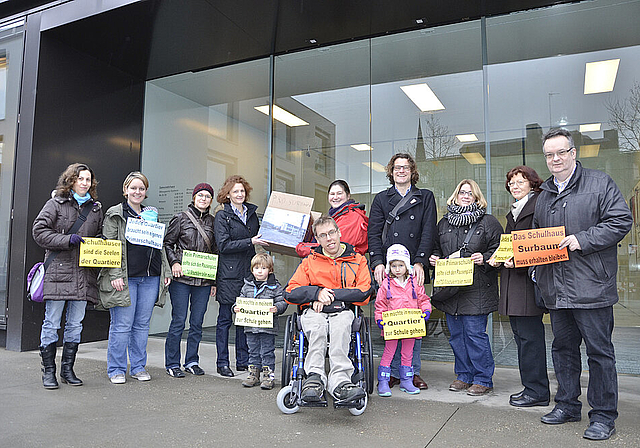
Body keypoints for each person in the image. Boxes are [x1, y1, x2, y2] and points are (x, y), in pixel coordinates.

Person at [533, 128, 632, 441]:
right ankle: (567, 404)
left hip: (592, 286)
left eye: (561, 152)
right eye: (550, 154)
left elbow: (621, 221)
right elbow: (537, 237)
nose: (556, 159)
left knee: (599, 353)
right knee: (563, 349)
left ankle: (603, 415)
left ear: (573, 153)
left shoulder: (599, 183)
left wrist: (583, 239)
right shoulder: (544, 195)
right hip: (557, 289)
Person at [285, 216, 373, 403]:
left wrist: (330, 298)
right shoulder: (310, 261)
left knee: (341, 326)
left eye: (332, 233)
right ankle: (314, 379)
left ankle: (340, 381)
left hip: (343, 311)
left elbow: (365, 290)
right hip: (314, 311)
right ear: (317, 240)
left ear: (339, 232)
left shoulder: (357, 259)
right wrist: (316, 293)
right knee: (315, 328)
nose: (329, 238)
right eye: (323, 235)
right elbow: (290, 291)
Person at [368, 152, 437, 390]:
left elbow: (429, 232)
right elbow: (373, 234)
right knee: (391, 319)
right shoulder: (381, 199)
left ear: (412, 171)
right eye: (397, 167)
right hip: (389, 267)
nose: (401, 171)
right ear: (391, 171)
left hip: (413, 267)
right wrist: (377, 262)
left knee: (412, 320)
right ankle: (393, 373)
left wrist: (420, 262)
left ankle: (412, 372)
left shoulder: (425, 197)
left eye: (405, 167)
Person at [32, 163, 103, 389]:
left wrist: (100, 243)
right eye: (80, 178)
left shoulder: (95, 208)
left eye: (88, 179)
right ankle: (49, 371)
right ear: (71, 180)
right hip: (58, 273)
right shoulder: (55, 204)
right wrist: (66, 240)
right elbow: (39, 231)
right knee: (52, 323)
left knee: (75, 325)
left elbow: (100, 233)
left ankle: (68, 370)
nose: (84, 183)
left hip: (84, 274)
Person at [429, 179, 502, 396]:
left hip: (477, 289)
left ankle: (482, 378)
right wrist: (434, 258)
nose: (466, 196)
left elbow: (501, 249)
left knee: (475, 335)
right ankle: (463, 375)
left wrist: (486, 257)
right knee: (456, 336)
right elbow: (435, 247)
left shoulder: (488, 222)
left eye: (471, 193)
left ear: (477, 197)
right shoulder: (443, 223)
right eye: (462, 192)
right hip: (451, 290)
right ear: (456, 195)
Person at [98, 172, 172, 384]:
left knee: (141, 326)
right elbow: (110, 246)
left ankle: (138, 367)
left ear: (146, 192)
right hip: (126, 278)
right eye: (133, 188)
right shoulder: (116, 213)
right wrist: (114, 274)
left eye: (141, 188)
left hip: (150, 277)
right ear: (126, 190)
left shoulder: (151, 214)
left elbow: (160, 246)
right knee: (122, 325)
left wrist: (165, 272)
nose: (137, 192)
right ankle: (116, 369)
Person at [488, 166, 550, 407]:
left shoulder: (537, 206)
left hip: (527, 284)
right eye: (511, 183)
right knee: (523, 338)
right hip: (514, 283)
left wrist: (519, 260)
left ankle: (537, 391)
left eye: (520, 182)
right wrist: (497, 257)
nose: (514, 186)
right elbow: (510, 245)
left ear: (532, 184)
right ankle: (531, 388)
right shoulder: (515, 211)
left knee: (530, 340)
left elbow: (543, 244)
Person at [214, 175, 268, 377]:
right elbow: (223, 245)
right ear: (227, 194)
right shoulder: (222, 216)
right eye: (235, 191)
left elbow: (261, 236)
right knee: (225, 319)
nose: (239, 194)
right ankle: (222, 362)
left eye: (242, 191)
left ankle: (243, 361)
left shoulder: (252, 214)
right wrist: (250, 241)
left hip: (248, 273)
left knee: (244, 319)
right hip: (228, 274)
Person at [163, 183, 217, 378]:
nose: (203, 199)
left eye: (207, 196)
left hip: (203, 281)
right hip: (182, 279)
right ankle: (172, 363)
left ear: (211, 200)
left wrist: (214, 282)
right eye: (200, 195)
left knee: (197, 322)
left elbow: (216, 251)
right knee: (178, 321)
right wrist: (174, 262)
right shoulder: (181, 218)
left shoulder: (213, 222)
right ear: (193, 197)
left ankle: (192, 361)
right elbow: (167, 243)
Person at [374, 244, 431, 397]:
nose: (397, 269)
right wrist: (380, 319)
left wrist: (426, 311)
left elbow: (423, 299)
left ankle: (407, 380)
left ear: (407, 265)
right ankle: (384, 381)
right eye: (394, 265)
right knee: (389, 352)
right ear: (389, 267)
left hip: (410, 327)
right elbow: (380, 305)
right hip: (392, 326)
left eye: (400, 265)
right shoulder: (385, 285)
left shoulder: (415, 283)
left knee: (408, 353)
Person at [234, 253, 287, 390]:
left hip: (268, 328)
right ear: (252, 270)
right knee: (253, 351)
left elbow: (282, 301)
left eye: (263, 268)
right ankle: (253, 374)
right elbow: (239, 300)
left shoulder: (275, 287)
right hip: (250, 327)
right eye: (257, 268)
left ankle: (268, 376)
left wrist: (277, 308)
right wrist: (236, 308)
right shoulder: (246, 286)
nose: (260, 271)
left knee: (267, 352)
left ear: (270, 270)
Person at [295, 179, 368, 257]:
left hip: (346, 265)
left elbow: (335, 247)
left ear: (348, 196)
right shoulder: (337, 215)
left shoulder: (352, 217)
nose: (335, 197)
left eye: (339, 193)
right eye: (332, 194)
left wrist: (303, 248)